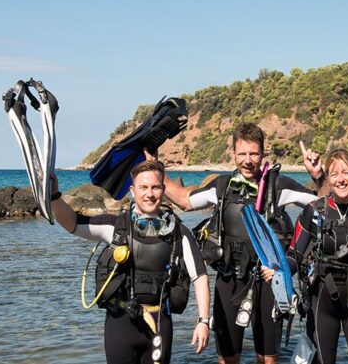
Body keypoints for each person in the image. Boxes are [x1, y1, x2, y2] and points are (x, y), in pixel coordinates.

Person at [160, 122, 320, 364]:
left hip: (267, 283)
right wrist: (156, 172)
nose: (248, 160)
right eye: (242, 153)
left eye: (254, 153)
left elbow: (324, 203)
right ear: (233, 153)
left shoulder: (278, 187)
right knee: (227, 357)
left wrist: (318, 176)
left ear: (263, 153)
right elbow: (184, 200)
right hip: (228, 282)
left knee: (267, 358)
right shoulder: (222, 187)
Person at [50, 160, 211, 363]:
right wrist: (54, 196)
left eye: (155, 187)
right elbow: (73, 223)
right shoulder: (117, 227)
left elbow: (200, 277)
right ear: (132, 191)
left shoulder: (178, 232)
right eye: (143, 187)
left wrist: (203, 321)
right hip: (121, 323)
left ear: (163, 189)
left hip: (159, 323)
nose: (149, 194)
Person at [260, 149, 348, 364]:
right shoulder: (314, 211)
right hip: (322, 298)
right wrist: (278, 270)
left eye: (345, 172)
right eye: (334, 174)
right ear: (329, 180)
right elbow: (294, 257)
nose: (341, 179)